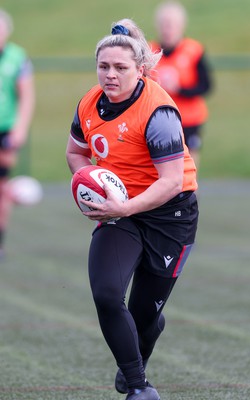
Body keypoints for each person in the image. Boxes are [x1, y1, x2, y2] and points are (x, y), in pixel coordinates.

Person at [66, 18, 198, 400]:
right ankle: (139, 387)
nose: (110, 75)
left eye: (120, 67)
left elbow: (171, 181)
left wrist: (121, 203)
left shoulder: (158, 113)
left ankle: (147, 333)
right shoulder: (89, 103)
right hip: (119, 213)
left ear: (139, 70)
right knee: (107, 294)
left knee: (142, 318)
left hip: (171, 216)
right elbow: (76, 152)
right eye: (103, 66)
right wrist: (90, 184)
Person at [150, 1, 212, 168]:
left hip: (189, 119)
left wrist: (179, 89)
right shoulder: (149, 52)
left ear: (182, 25)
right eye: (164, 24)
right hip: (158, 119)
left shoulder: (194, 51)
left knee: (188, 164)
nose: (168, 28)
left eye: (172, 24)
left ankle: (191, 193)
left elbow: (206, 86)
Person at [0, 9, 35, 256]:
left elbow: (26, 97)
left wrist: (20, 129)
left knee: (1, 188)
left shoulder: (17, 58)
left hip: (5, 132)